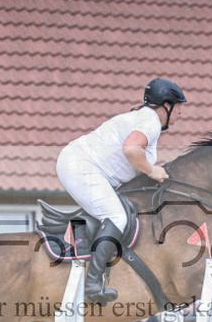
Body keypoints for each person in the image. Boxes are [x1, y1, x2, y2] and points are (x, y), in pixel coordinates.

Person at [56, 78, 186, 304]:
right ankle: (93, 283)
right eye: (179, 106)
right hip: (81, 166)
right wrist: (152, 170)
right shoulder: (151, 121)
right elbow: (131, 150)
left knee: (116, 211)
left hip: (79, 163)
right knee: (117, 216)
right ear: (166, 105)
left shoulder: (143, 117)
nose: (180, 113)